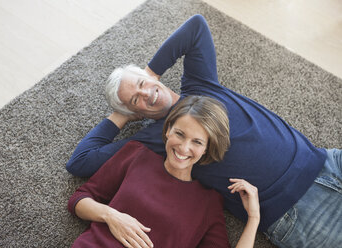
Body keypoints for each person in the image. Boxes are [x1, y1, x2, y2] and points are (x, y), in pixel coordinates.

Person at [66, 15, 342, 247]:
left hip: (326, 160)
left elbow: (196, 27)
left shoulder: (200, 82)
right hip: (297, 211)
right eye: (135, 99)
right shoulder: (160, 141)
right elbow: (80, 162)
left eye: (141, 83)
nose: (146, 93)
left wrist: (151, 73)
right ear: (136, 113)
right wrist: (121, 115)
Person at [68, 96, 260, 248]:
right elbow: (79, 199)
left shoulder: (208, 203)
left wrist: (253, 218)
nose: (184, 148)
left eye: (197, 142)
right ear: (168, 130)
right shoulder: (136, 154)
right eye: (180, 134)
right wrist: (111, 216)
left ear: (207, 149)